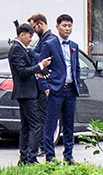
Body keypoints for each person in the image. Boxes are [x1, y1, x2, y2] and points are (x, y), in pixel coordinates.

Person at [38, 13, 88, 163]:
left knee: (69, 124)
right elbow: (41, 68)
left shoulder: (74, 46)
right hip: (55, 90)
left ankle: (69, 155)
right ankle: (50, 156)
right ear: (57, 27)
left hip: (70, 90)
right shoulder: (50, 44)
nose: (67, 29)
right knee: (51, 124)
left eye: (70, 26)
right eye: (64, 26)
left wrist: (76, 83)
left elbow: (76, 67)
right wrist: (46, 88)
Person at [7, 21, 46, 164]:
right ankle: (31, 158)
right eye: (30, 36)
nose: (31, 39)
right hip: (26, 93)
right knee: (36, 125)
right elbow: (22, 71)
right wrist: (40, 66)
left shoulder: (21, 48)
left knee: (26, 126)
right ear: (22, 35)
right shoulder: (17, 49)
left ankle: (24, 158)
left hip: (26, 92)